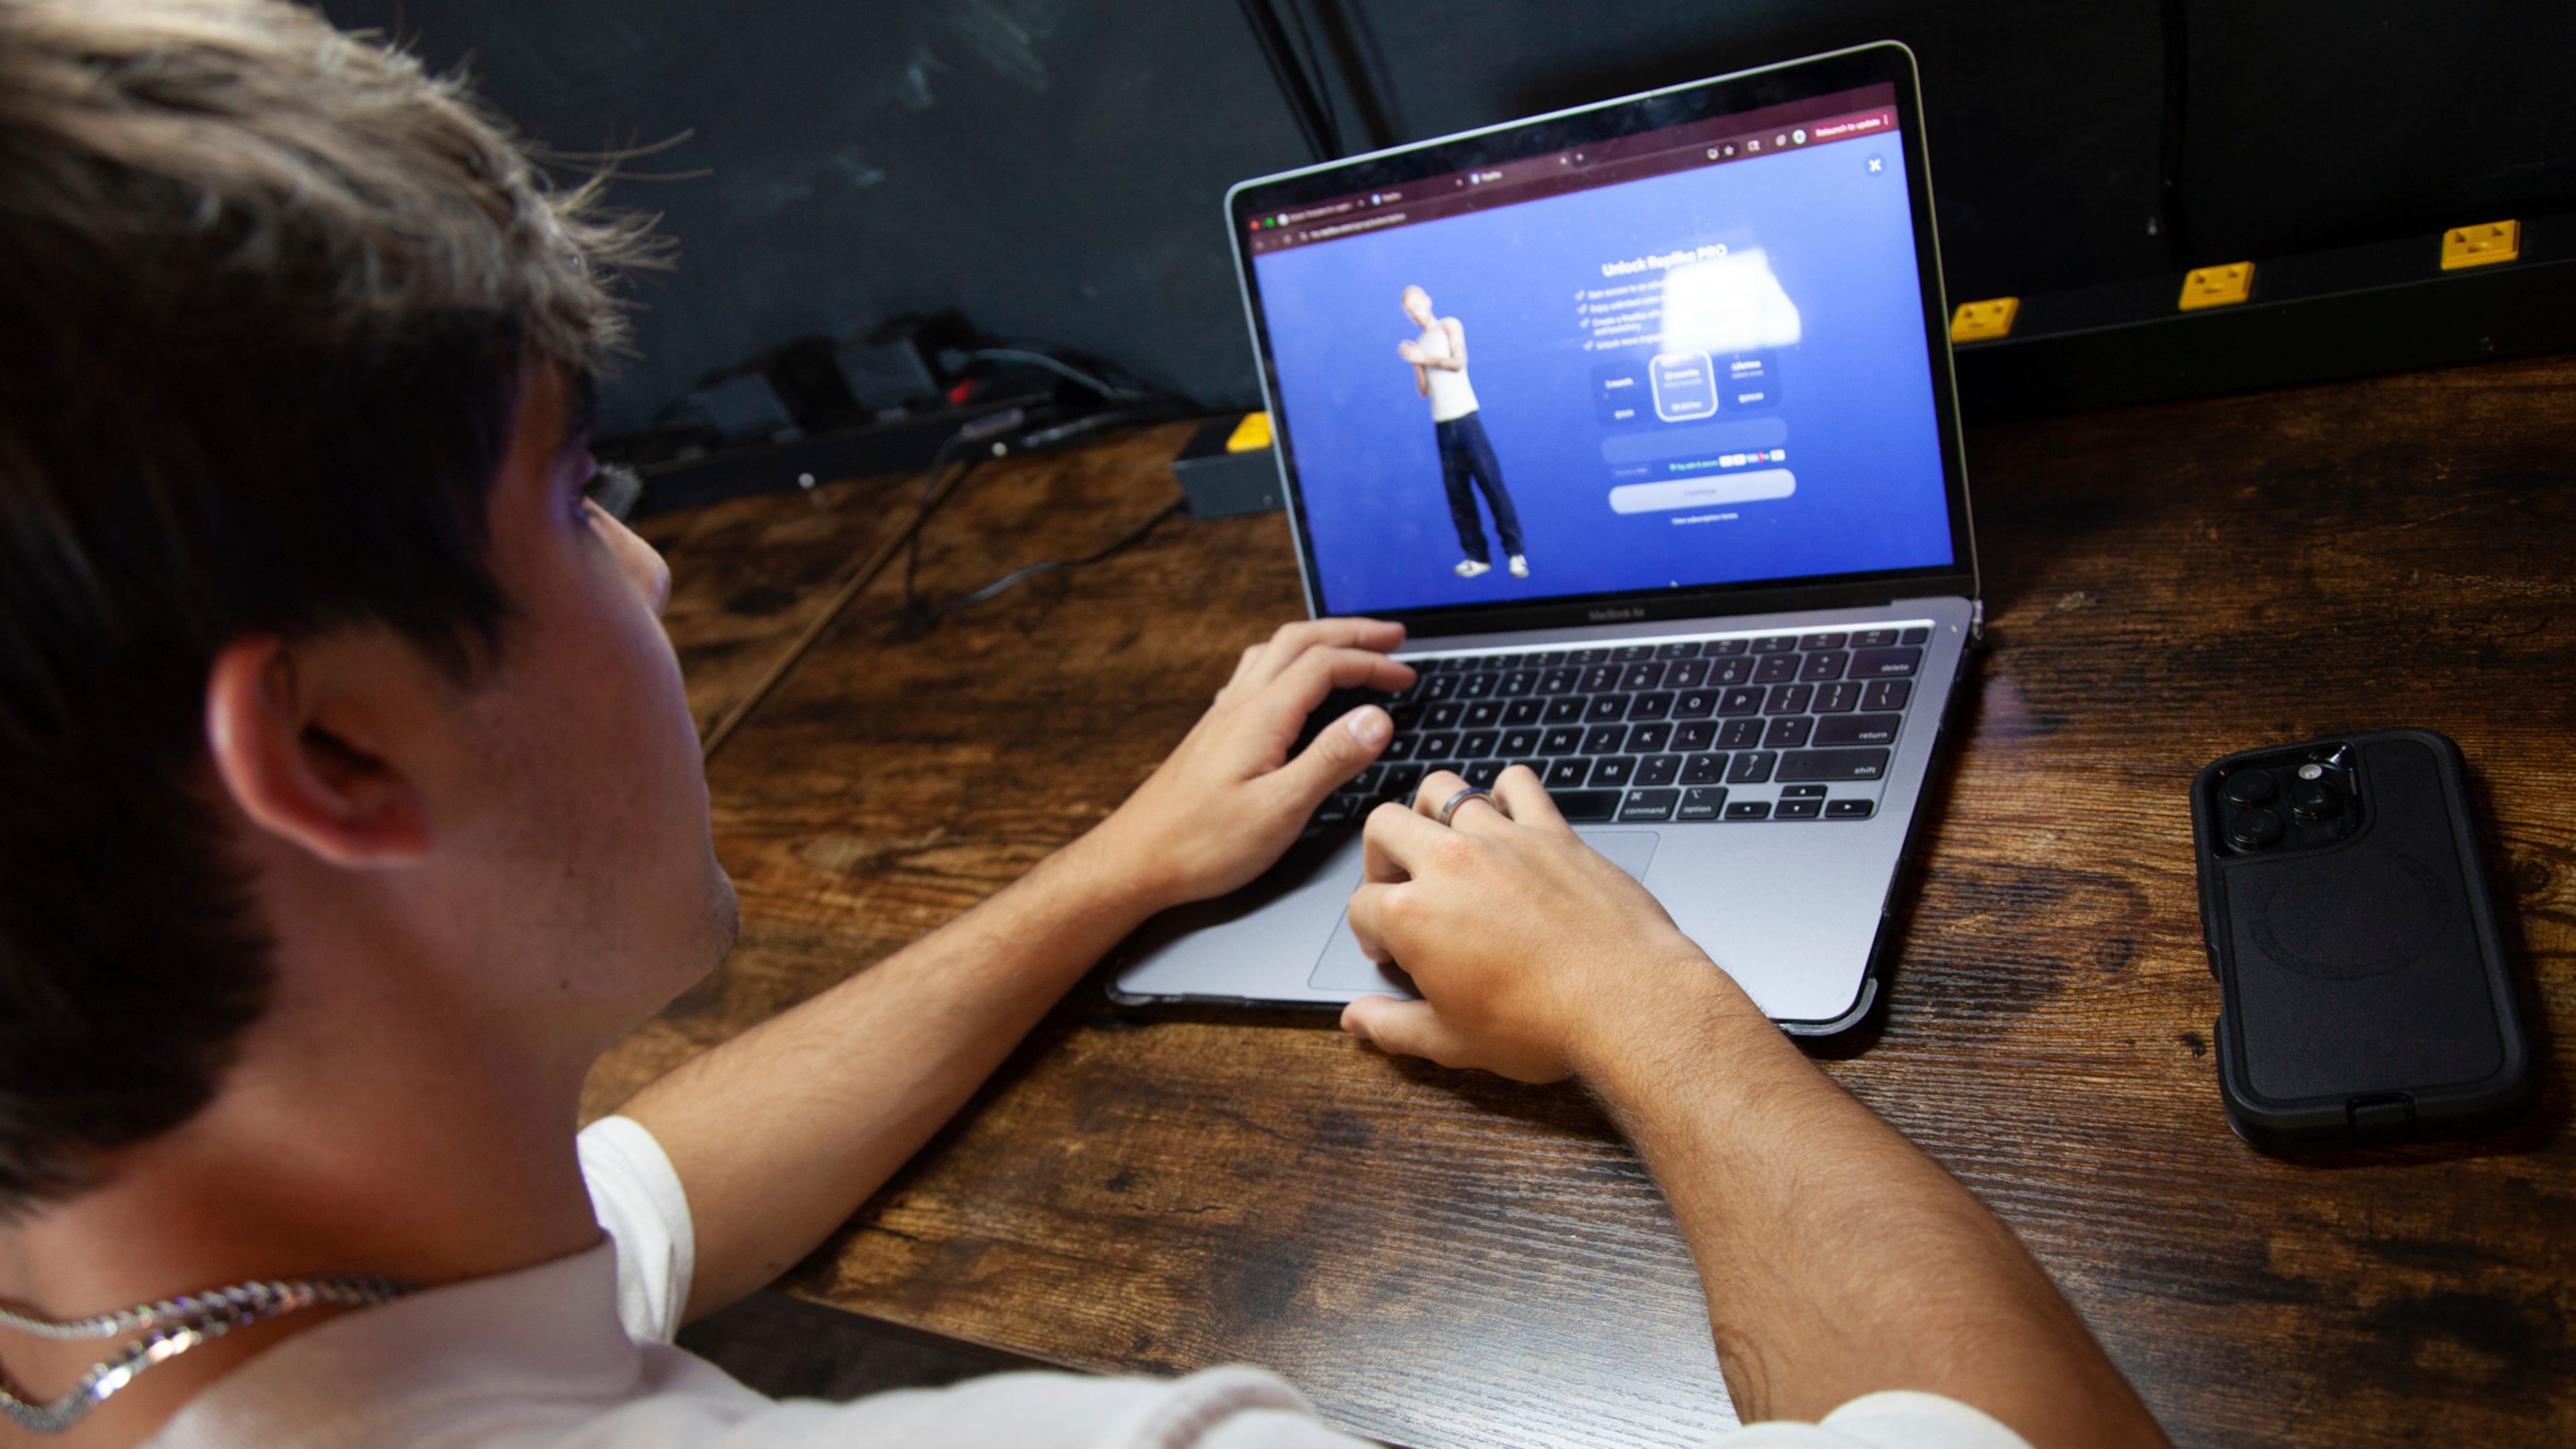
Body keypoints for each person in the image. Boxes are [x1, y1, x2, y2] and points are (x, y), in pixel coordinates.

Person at [0, 5, 2170, 1448]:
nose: (657, 572)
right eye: (578, 499)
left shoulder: (167, 1295)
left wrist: (1124, 865)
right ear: (338, 758)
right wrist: (1642, 1001)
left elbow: (631, 1196)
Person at [1395, 285, 1529, 580]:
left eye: (1418, 304)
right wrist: (1416, 364)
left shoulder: (1449, 325)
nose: (1416, 312)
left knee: (1491, 485)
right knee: (1457, 494)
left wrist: (1424, 359)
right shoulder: (1419, 342)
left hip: (1466, 418)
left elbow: (1459, 362)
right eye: (1410, 309)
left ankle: (1515, 553)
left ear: (1429, 300)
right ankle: (1476, 556)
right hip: (1442, 424)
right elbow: (1424, 390)